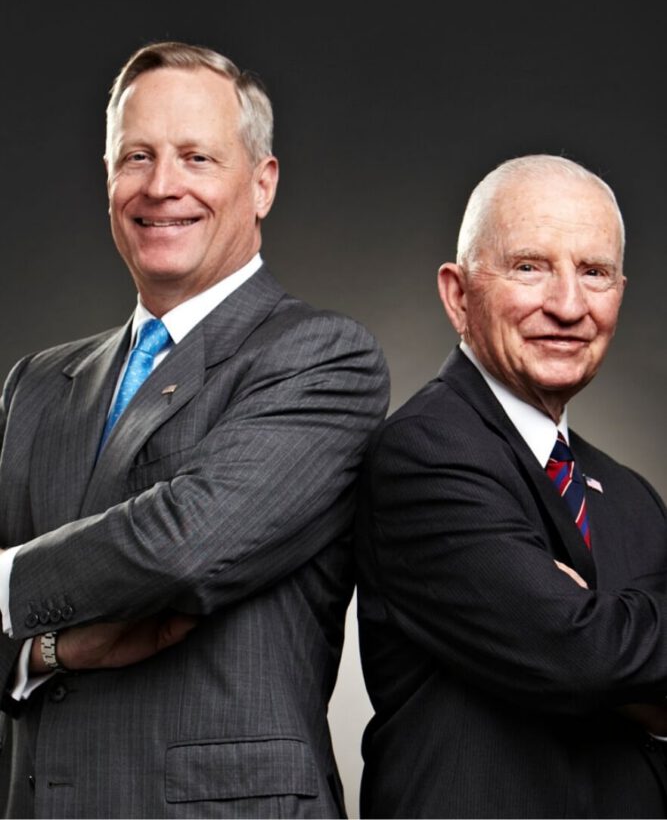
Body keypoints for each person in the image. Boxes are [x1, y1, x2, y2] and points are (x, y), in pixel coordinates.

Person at [0, 41, 389, 819]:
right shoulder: (37, 386)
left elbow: (185, 545)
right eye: (135, 156)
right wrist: (52, 649)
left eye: (196, 157)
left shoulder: (321, 357)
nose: (161, 186)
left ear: (263, 183)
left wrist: (3, 585)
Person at [356, 154, 667, 819]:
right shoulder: (424, 452)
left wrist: (608, 636)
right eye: (529, 267)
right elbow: (582, 654)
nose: (567, 305)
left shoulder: (632, 497)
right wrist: (606, 646)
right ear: (457, 294)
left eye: (593, 272)